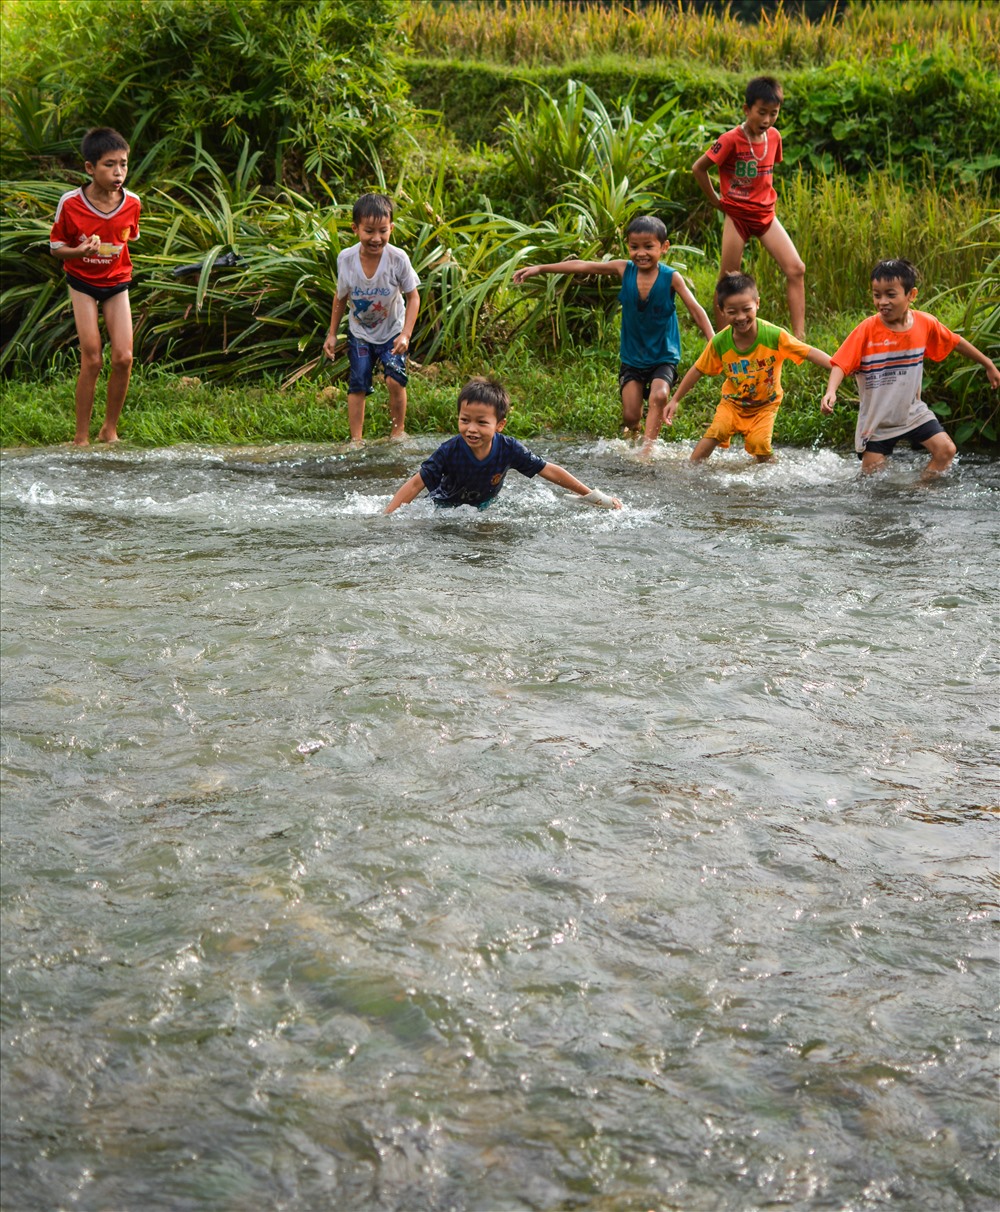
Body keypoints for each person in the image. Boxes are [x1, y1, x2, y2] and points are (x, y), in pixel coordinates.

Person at [512, 215, 714, 440]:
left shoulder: (671, 278)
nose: (641, 253)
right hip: (632, 358)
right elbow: (583, 265)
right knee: (630, 417)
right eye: (634, 247)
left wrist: (713, 340)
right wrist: (541, 268)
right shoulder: (623, 269)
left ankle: (648, 450)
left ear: (664, 247)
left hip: (663, 355)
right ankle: (635, 437)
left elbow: (696, 309)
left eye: (649, 246)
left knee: (660, 395)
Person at [821, 258, 1000, 478]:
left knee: (946, 451)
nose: (882, 302)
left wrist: (987, 363)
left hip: (912, 412)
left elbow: (955, 341)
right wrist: (831, 391)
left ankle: (918, 493)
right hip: (877, 421)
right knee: (873, 484)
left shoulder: (925, 324)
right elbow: (841, 362)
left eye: (890, 294)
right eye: (877, 295)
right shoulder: (867, 330)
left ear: (911, 295)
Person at [649, 271, 831, 463]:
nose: (741, 317)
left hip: (765, 406)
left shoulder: (773, 336)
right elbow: (698, 369)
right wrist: (675, 399)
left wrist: (838, 365)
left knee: (760, 444)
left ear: (757, 304)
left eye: (746, 309)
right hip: (733, 403)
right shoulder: (720, 342)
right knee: (716, 432)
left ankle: (769, 473)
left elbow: (808, 351)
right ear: (721, 310)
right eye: (732, 312)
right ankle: (690, 469)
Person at [385, 378, 622, 513]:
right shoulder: (449, 451)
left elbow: (548, 469)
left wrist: (591, 495)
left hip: (482, 508)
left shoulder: (509, 449)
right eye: (464, 420)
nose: (471, 429)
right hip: (443, 509)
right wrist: (388, 517)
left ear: (500, 424)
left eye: (481, 422)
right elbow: (417, 483)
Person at [692, 76, 806, 339]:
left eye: (773, 113)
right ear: (747, 109)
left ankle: (799, 338)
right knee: (727, 280)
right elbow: (699, 168)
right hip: (737, 217)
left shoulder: (774, 137)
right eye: (761, 112)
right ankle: (720, 341)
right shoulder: (731, 139)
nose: (766, 119)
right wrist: (715, 200)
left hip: (765, 216)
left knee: (796, 268)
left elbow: (766, 174)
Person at [49, 127, 140, 445]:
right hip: (82, 283)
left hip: (117, 283)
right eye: (109, 164)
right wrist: (80, 251)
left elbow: (128, 238)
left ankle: (109, 430)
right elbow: (56, 247)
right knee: (92, 358)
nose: (119, 172)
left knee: (124, 357)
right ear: (90, 167)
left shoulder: (132, 203)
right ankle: (81, 437)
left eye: (124, 164)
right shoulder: (71, 203)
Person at [323, 193, 420, 443]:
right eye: (369, 231)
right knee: (358, 382)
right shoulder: (346, 259)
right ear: (355, 229)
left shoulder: (398, 259)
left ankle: (397, 433)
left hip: (392, 333)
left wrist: (406, 334)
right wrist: (332, 334)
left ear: (391, 228)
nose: (376, 238)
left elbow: (413, 298)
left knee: (395, 379)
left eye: (383, 231)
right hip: (360, 334)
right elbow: (341, 297)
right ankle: (356, 439)